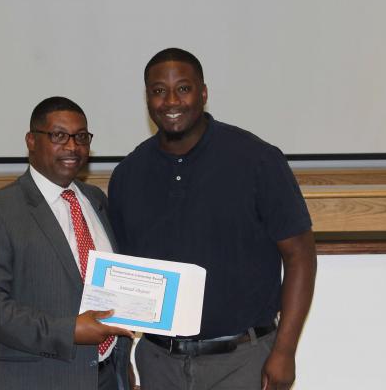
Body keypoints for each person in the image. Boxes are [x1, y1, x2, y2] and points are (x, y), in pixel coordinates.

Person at [108, 48, 317, 390]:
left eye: (184, 88)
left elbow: (300, 255)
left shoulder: (257, 161)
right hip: (159, 363)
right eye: (159, 90)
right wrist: (122, 356)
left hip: (243, 361)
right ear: (147, 98)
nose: (171, 100)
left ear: (203, 93)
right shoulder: (128, 175)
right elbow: (124, 278)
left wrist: (285, 351)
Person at [0, 96, 134, 390]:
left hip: (105, 378)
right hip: (33, 380)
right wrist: (68, 331)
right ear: (31, 140)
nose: (72, 146)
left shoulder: (96, 200)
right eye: (58, 136)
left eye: (81, 137)